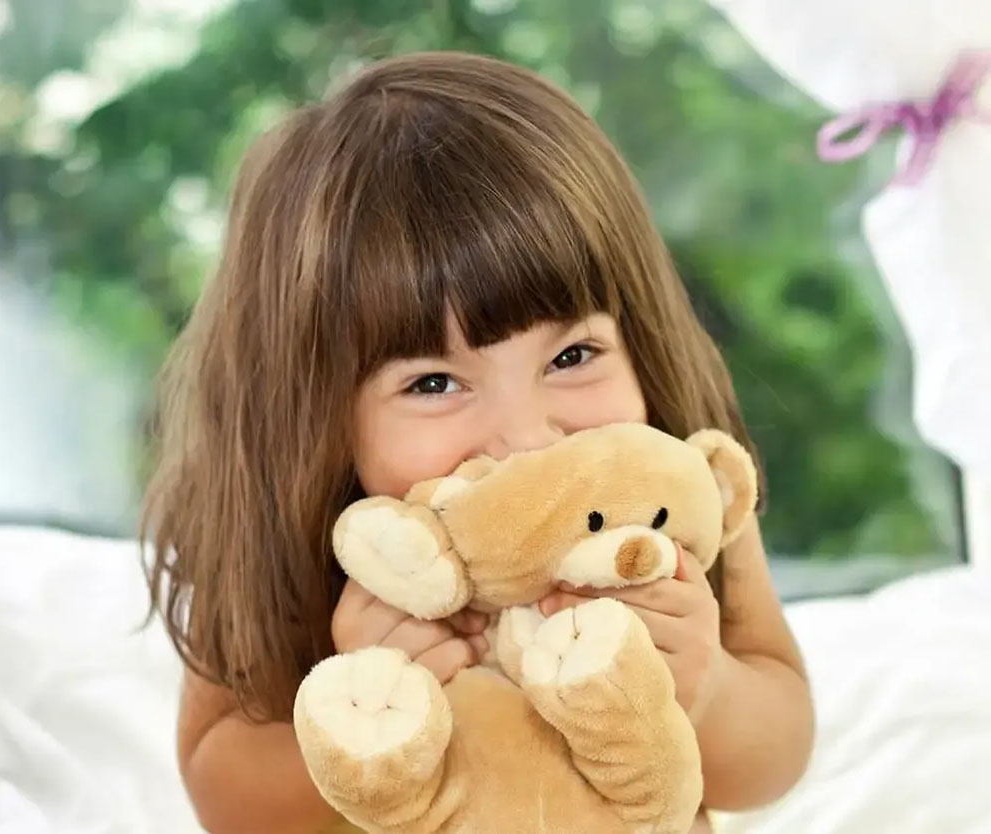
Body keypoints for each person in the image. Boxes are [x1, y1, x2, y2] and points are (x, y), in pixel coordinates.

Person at [142, 50, 815, 834]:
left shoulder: (667, 512)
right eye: (433, 384)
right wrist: (359, 704)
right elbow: (222, 794)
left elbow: (778, 752)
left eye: (572, 357)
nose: (526, 439)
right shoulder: (276, 539)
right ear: (315, 414)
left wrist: (706, 689)